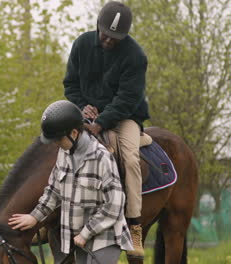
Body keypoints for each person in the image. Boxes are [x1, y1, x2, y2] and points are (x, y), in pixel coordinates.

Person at [62, 1, 149, 258]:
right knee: (60, 147)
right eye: (105, 34)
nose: (109, 40)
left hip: (125, 117)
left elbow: (127, 99)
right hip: (85, 115)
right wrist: (81, 106)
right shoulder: (81, 44)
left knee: (131, 158)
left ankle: (134, 227)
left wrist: (102, 121)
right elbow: (71, 84)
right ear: (98, 26)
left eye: (115, 37)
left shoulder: (136, 57)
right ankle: (52, 215)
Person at [8, 100, 133, 264]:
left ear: (74, 133)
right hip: (79, 238)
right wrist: (34, 217)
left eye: (58, 139)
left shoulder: (101, 158)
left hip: (105, 236)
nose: (55, 144)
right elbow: (53, 191)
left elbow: (115, 205)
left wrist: (86, 233)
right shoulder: (64, 153)